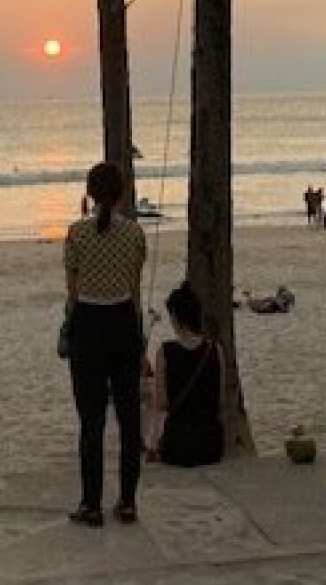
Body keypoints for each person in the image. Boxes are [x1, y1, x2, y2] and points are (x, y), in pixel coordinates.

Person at [62, 160, 146, 528]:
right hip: (122, 321)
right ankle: (127, 502)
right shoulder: (134, 234)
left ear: (90, 194)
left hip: (88, 324)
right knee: (129, 419)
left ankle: (91, 504)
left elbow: (72, 292)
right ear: (122, 192)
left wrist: (70, 324)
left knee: (91, 421)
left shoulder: (77, 233)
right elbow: (134, 288)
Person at [151, 282, 224, 467]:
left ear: (176, 318)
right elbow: (220, 399)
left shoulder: (165, 352)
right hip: (210, 445)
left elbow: (161, 403)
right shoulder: (215, 349)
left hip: (178, 444)